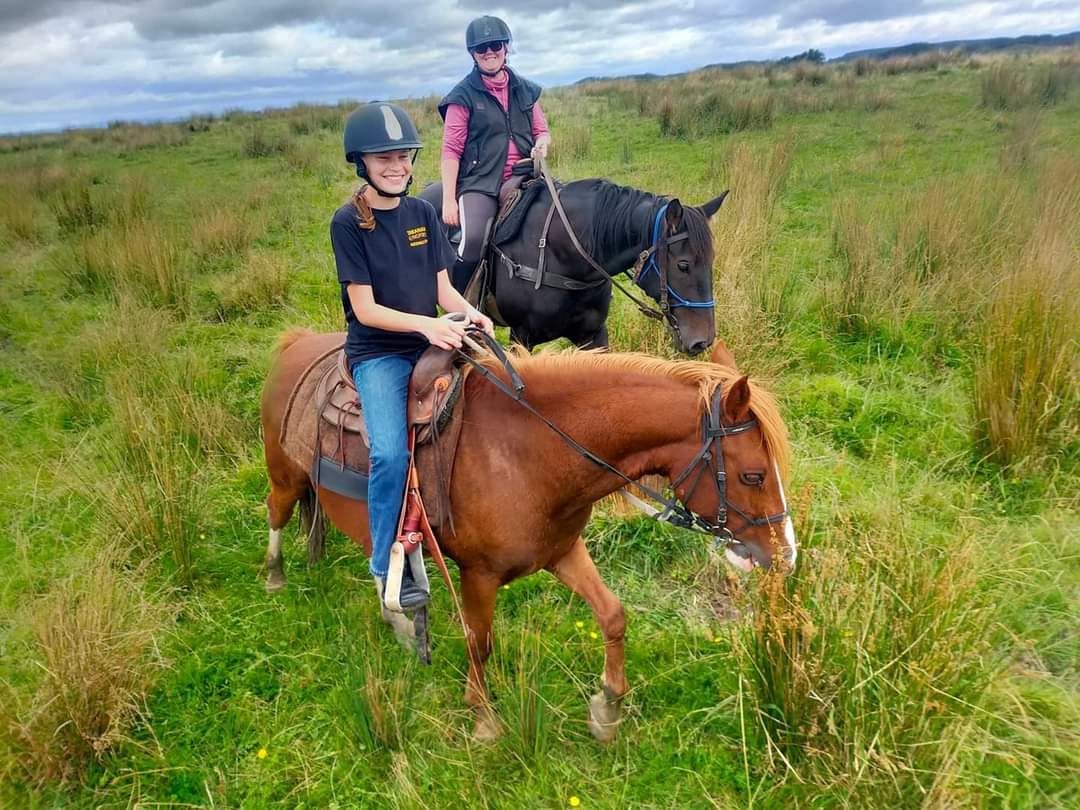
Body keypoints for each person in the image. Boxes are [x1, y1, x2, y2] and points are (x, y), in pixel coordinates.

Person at [331, 102, 494, 611]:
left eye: (403, 156)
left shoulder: (423, 213)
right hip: (380, 351)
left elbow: (442, 287)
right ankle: (385, 568)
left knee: (504, 391)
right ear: (362, 164)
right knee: (390, 454)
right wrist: (428, 326)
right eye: (384, 159)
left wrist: (473, 315)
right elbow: (365, 309)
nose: (397, 166)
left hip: (433, 335)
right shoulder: (347, 224)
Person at [438, 15, 552, 292]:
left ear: (506, 48)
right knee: (474, 239)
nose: (489, 52)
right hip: (481, 182)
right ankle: (463, 306)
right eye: (481, 48)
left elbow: (542, 130)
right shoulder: (462, 96)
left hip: (526, 175)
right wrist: (449, 200)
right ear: (472, 54)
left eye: (495, 45)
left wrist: (542, 144)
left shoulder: (525, 89)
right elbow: (451, 150)